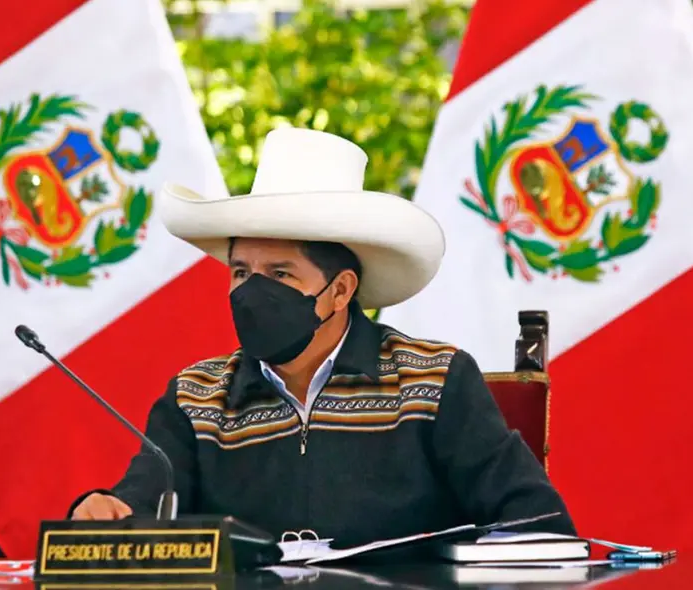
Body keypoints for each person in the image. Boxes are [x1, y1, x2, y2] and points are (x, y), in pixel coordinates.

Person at [70, 128, 576, 546]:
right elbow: (140, 508)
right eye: (242, 272)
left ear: (340, 290)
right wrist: (103, 512)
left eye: (281, 274)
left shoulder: (435, 380)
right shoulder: (196, 395)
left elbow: (537, 528)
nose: (252, 292)